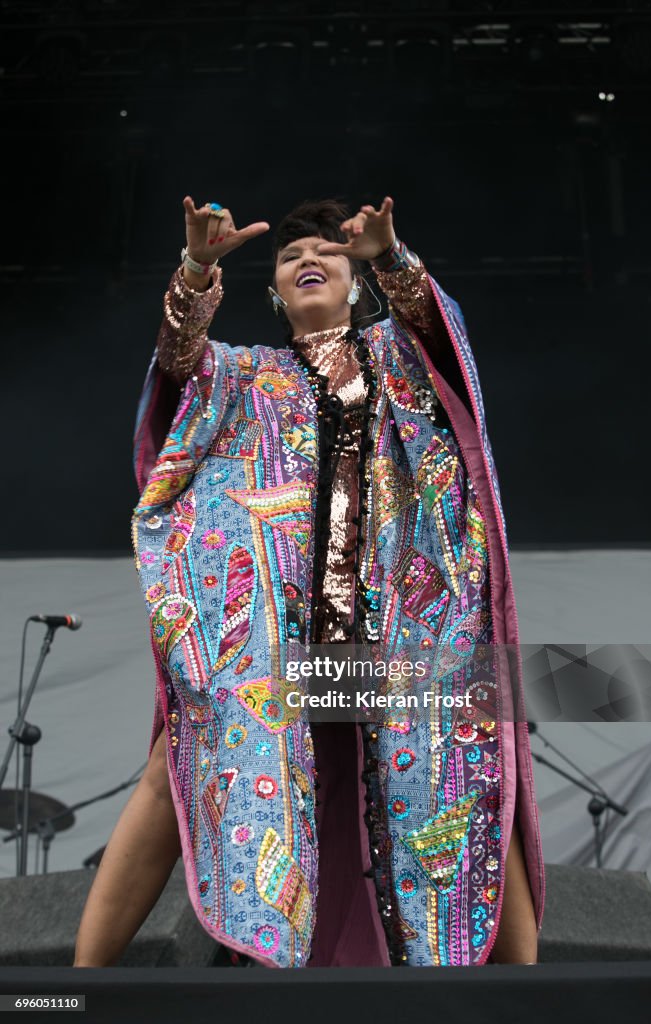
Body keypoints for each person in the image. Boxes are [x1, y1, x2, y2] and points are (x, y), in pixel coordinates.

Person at [74, 195, 544, 969]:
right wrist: (195, 270)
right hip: (279, 653)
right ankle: (77, 988)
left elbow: (439, 332)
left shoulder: (398, 358)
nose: (305, 261)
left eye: (325, 251)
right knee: (175, 764)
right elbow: (177, 356)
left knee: (471, 764)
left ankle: (526, 994)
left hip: (397, 643)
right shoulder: (243, 374)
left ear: (354, 280)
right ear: (273, 293)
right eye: (289, 258)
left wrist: (391, 255)